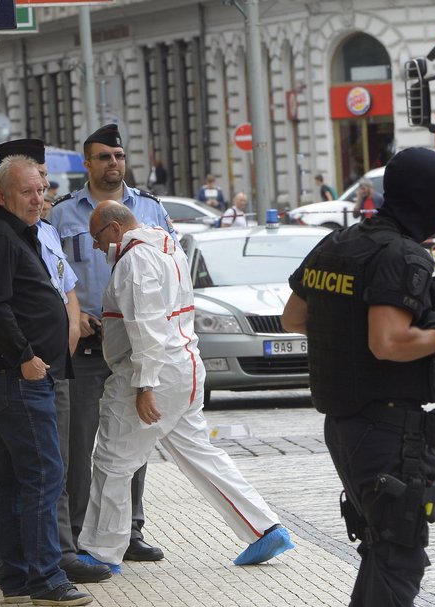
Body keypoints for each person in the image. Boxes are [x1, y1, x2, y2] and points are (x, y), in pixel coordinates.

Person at [281, 147, 435, 607]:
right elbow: (389, 342)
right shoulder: (402, 255)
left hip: (345, 425)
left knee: (383, 551)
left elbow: (293, 318)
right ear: (424, 194)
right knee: (400, 553)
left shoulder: (338, 243)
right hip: (387, 429)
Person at [76, 200, 295, 572]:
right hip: (185, 365)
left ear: (114, 229)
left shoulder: (134, 261)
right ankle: (264, 527)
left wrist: (145, 384)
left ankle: (100, 551)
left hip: (149, 372)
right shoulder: (167, 246)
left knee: (113, 459)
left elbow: (146, 325)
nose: (96, 246)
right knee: (199, 454)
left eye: (96, 237)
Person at [0, 139, 111, 586]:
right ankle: (46, 576)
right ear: (1, 194)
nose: (38, 198)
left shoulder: (25, 232)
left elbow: (54, 289)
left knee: (15, 474)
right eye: (28, 191)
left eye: (41, 189)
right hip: (17, 374)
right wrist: (25, 357)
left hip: (37, 370)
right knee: (45, 473)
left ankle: (17, 574)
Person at [52, 123, 174, 564]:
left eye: (119, 155)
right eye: (104, 156)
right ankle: (83, 532)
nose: (113, 163)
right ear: (87, 163)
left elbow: (171, 270)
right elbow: (52, 276)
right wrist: (73, 314)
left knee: (131, 441)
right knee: (81, 442)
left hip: (132, 346)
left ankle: (130, 530)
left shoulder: (151, 209)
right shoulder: (63, 213)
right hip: (87, 345)